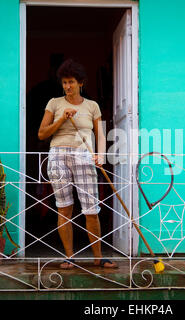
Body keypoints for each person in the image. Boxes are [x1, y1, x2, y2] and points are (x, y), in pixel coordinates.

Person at [38, 59, 117, 269]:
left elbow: (100, 133)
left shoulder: (92, 106)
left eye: (71, 82)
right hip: (58, 155)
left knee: (91, 209)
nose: (67, 86)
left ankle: (98, 257)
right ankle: (69, 256)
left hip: (84, 155)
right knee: (64, 208)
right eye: (64, 82)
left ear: (81, 82)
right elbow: (41, 134)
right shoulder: (54, 103)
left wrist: (100, 156)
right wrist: (61, 119)